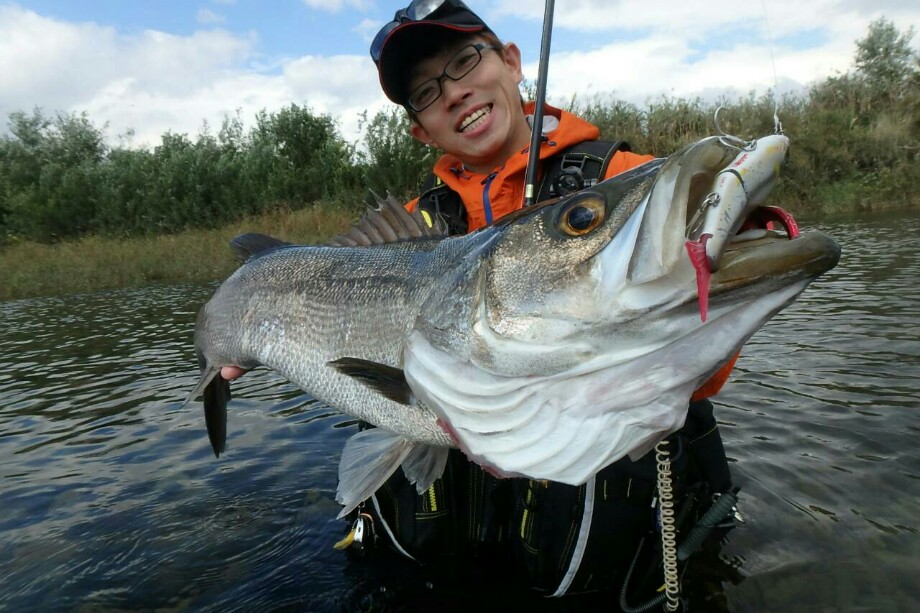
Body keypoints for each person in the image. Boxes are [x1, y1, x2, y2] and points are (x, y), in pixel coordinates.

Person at [225, 0, 737, 602]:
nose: (456, 93)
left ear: (513, 62)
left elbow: (711, 326)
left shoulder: (630, 184)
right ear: (420, 129)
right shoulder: (415, 225)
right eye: (425, 92)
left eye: (466, 60)